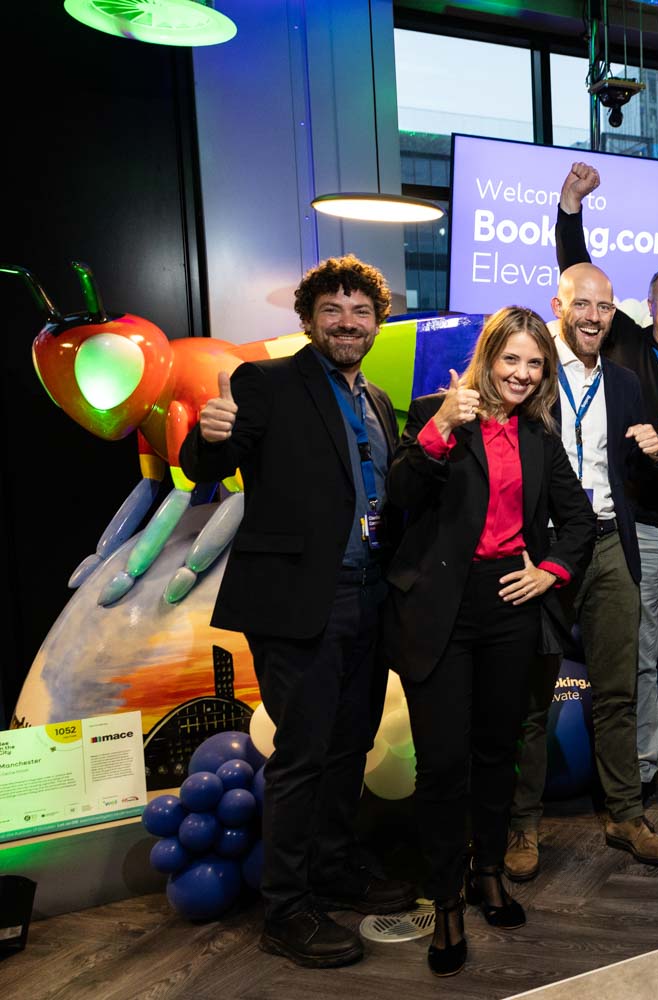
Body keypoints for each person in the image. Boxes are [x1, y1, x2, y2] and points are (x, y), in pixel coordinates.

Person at [181, 255, 415, 968]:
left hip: (370, 597)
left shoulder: (376, 399)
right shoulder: (268, 383)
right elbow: (208, 466)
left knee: (350, 746)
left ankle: (335, 869)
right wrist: (212, 433)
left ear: (377, 322)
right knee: (302, 757)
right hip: (300, 604)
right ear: (309, 318)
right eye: (334, 311)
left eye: (361, 312)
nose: (348, 323)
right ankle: (285, 911)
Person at [382, 307, 595, 976]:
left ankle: (489, 873)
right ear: (488, 355)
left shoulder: (539, 435)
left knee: (497, 751)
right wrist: (443, 426)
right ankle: (446, 900)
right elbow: (400, 496)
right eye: (513, 360)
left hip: (509, 603)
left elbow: (580, 521)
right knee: (443, 764)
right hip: (440, 606)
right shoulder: (432, 409)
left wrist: (550, 571)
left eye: (535, 364)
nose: (524, 375)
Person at [553, 163, 658, 819]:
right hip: (634, 533)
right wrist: (570, 207)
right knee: (638, 660)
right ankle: (643, 766)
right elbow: (578, 275)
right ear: (648, 307)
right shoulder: (621, 342)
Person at [505, 263, 658, 881]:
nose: (593, 317)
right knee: (530, 698)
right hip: (540, 552)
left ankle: (626, 815)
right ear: (559, 305)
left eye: (604, 307)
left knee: (616, 690)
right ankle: (521, 825)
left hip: (607, 546)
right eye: (583, 304)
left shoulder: (626, 382)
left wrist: (655, 454)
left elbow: (638, 466)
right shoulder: (530, 375)